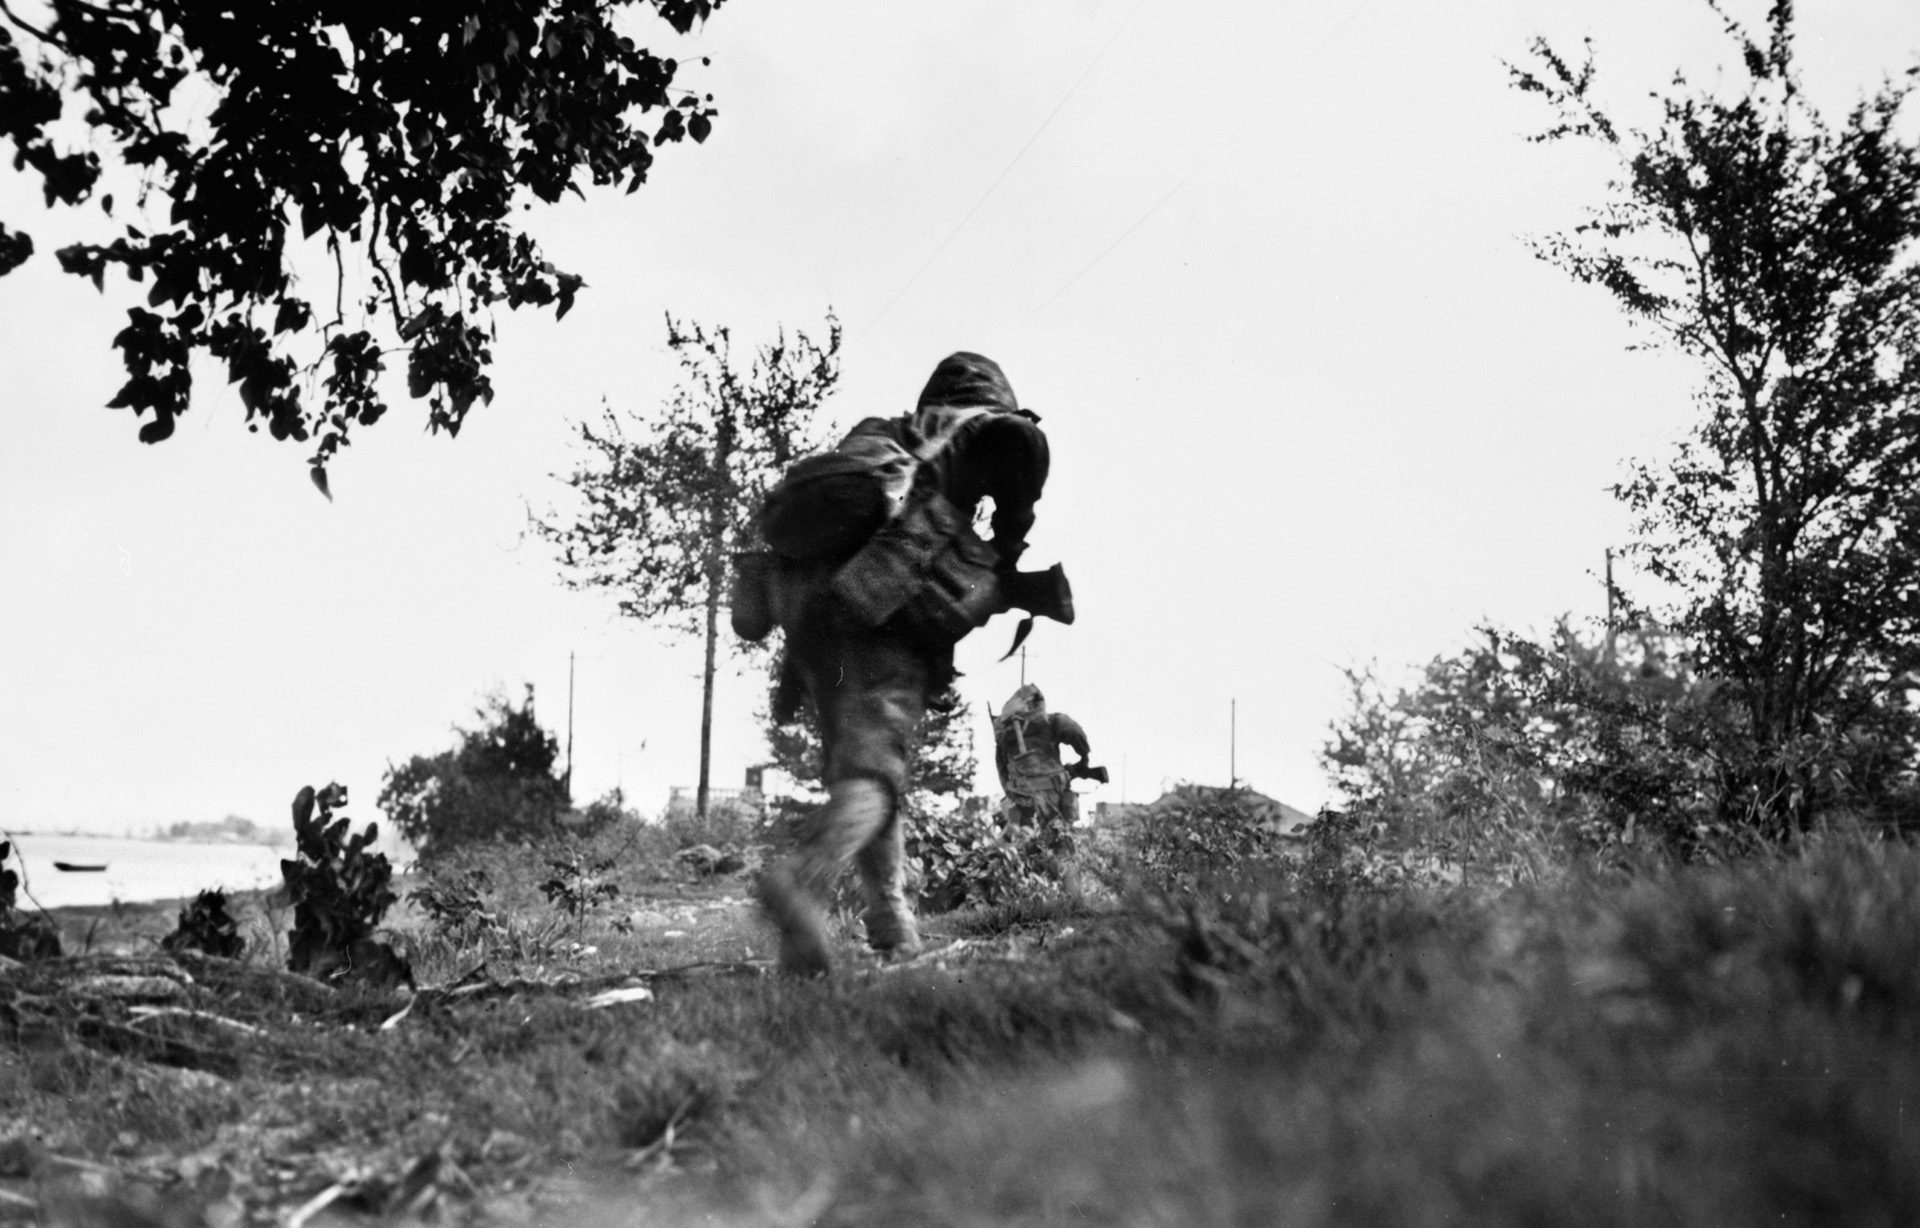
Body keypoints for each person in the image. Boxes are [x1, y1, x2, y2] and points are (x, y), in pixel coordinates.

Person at [754, 352, 1052, 976]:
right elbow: (1020, 460)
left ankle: (891, 924)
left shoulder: (878, 434)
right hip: (877, 604)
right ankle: (802, 878)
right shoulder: (986, 428)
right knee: (875, 775)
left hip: (807, 606)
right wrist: (1010, 543)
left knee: (867, 770)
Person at [991, 684, 1100, 878]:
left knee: (1023, 840)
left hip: (1019, 793)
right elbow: (1076, 734)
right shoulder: (1052, 721)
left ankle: (1025, 884)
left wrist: (1011, 790)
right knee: (1060, 841)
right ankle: (1065, 888)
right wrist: (1084, 759)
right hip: (1052, 792)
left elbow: (1001, 767)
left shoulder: (1005, 732)